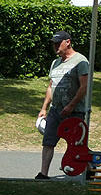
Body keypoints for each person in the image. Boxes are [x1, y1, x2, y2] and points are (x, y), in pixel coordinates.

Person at [36, 30, 90, 180]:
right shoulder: (55, 63)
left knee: (77, 144)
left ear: (68, 42)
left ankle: (89, 170)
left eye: (57, 43)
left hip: (74, 111)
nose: (55, 46)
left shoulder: (80, 61)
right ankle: (43, 174)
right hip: (56, 110)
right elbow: (50, 86)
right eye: (53, 43)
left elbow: (84, 86)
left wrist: (71, 106)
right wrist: (44, 108)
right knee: (48, 141)